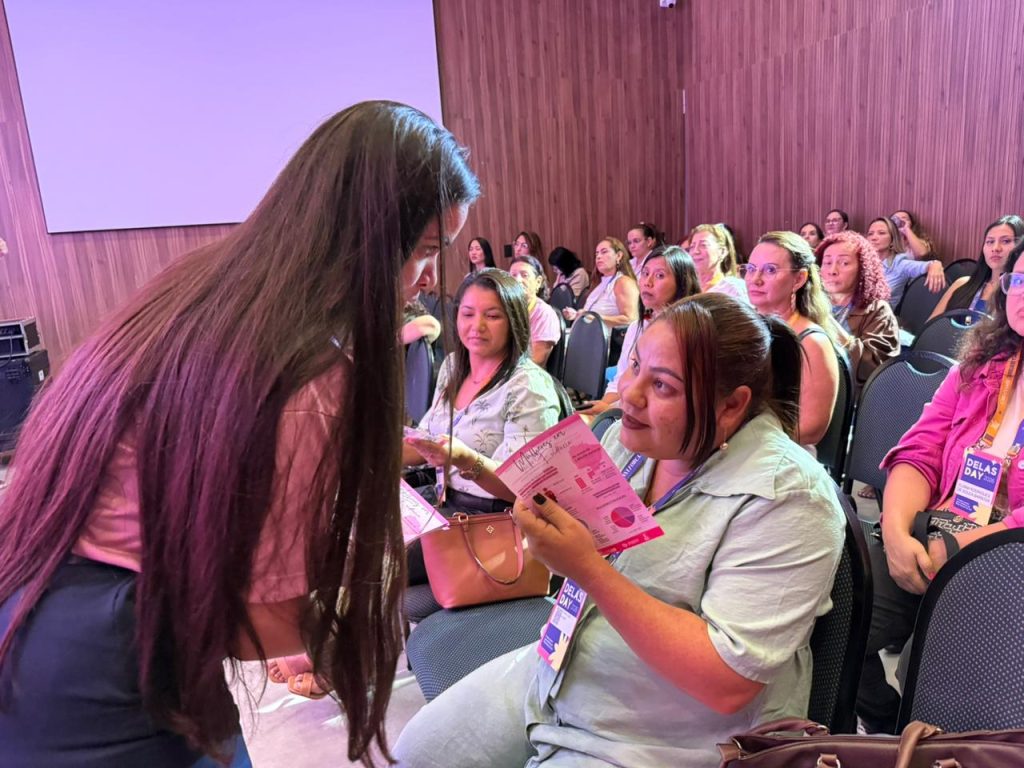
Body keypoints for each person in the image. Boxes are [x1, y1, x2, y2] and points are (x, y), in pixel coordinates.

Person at [0, 101, 480, 766]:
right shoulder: (310, 370)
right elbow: (266, 624)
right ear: (370, 237)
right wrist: (341, 600)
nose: (429, 281)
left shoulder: (213, 286)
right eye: (425, 252)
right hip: (102, 658)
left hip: (35, 595)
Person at [393, 293, 845, 768]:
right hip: (561, 666)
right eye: (634, 366)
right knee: (416, 755)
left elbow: (728, 681)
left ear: (732, 405)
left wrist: (586, 569)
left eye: (662, 386)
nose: (628, 393)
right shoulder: (632, 442)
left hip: (664, 736)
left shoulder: (788, 496)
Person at [857, 236, 1024, 734]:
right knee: (837, 613)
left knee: (925, 666)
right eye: (1020, 280)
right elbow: (920, 449)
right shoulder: (985, 363)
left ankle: (927, 746)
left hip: (1007, 555)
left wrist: (957, 551)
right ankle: (885, 732)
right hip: (938, 529)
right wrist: (895, 532)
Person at [403, 269, 560, 514]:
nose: (477, 326)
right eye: (468, 314)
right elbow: (426, 442)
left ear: (514, 322)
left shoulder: (528, 385)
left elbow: (527, 491)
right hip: (445, 501)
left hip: (494, 517)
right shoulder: (452, 366)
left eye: (493, 316)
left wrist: (464, 458)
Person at [743, 231, 840, 447]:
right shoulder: (746, 327)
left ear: (799, 279)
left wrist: (745, 444)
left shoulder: (812, 342)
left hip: (784, 451)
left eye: (770, 270)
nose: (755, 279)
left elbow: (811, 428)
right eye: (750, 269)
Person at [581, 245, 700, 416]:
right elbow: (620, 379)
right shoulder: (637, 326)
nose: (647, 282)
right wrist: (603, 409)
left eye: (659, 275)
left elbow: (667, 398)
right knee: (576, 423)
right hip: (623, 407)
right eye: (645, 273)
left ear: (682, 283)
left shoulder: (685, 333)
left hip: (653, 416)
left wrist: (613, 410)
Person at [817, 230, 900, 394]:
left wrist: (824, 318)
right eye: (827, 263)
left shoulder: (877, 310)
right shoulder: (807, 303)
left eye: (844, 263)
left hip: (849, 395)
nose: (832, 270)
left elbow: (875, 369)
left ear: (863, 269)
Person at [929, 215, 1024, 320]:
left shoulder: (1020, 294)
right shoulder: (962, 284)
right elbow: (931, 327)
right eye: (990, 241)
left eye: (1006, 241)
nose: (995, 248)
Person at [865, 217, 945, 308]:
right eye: (870, 234)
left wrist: (935, 265)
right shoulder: (864, 262)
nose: (874, 238)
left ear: (892, 240)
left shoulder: (899, 263)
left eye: (881, 233)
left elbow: (931, 264)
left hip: (880, 314)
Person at [562, 237, 639, 329]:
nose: (598, 257)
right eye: (597, 253)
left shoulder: (623, 282)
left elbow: (630, 319)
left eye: (604, 252)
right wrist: (577, 315)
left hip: (605, 338)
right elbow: (590, 314)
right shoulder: (600, 282)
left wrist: (593, 317)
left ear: (618, 256)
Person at [510, 255, 562, 366]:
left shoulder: (544, 314)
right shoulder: (506, 310)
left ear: (538, 282)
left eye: (524, 275)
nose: (517, 280)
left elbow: (534, 362)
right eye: (513, 275)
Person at [688, 223, 748, 301]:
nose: (695, 251)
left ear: (722, 252)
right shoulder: (686, 289)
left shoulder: (732, 288)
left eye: (703, 245)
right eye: (692, 247)